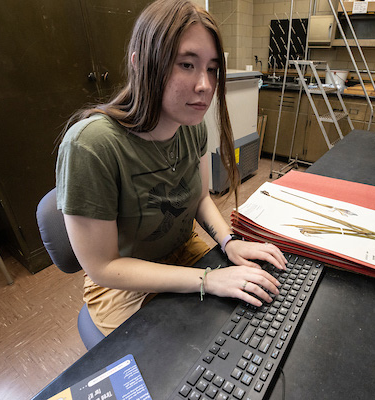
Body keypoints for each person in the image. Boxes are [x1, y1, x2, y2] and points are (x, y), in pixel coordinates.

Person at [56, 0, 287, 335]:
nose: (205, 85)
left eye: (211, 68)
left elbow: (201, 198)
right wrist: (207, 279)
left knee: (248, 325)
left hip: (182, 253)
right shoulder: (90, 146)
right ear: (139, 64)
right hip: (123, 283)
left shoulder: (192, 125)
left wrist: (228, 241)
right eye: (186, 64)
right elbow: (104, 267)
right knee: (179, 364)